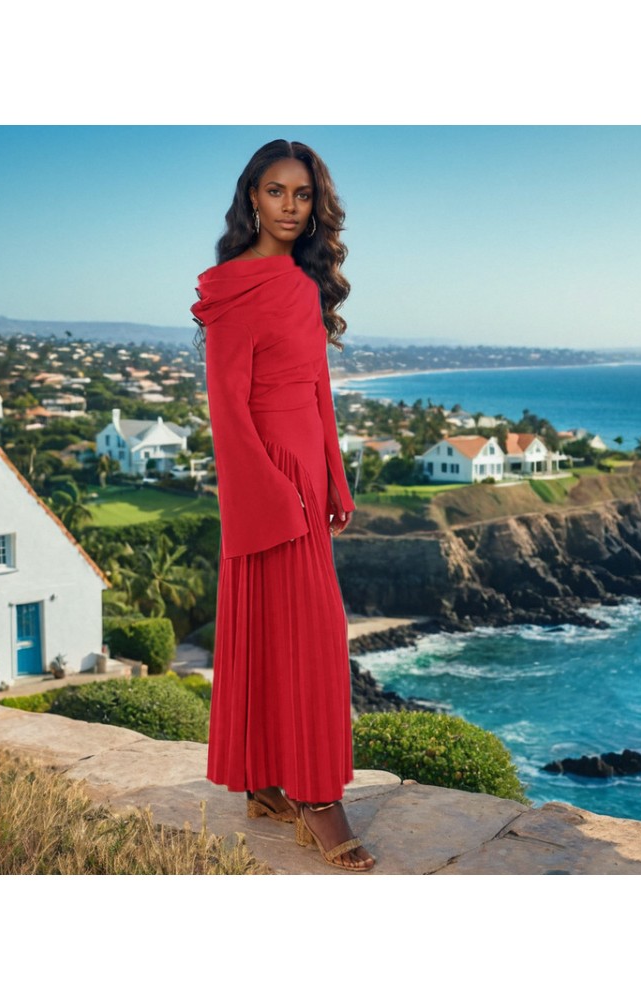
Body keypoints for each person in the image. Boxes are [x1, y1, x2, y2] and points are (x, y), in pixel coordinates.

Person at [190, 139, 375, 872]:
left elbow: (319, 392)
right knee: (317, 633)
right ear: (252, 198)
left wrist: (334, 474)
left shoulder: (304, 284)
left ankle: (268, 782)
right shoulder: (235, 286)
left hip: (306, 470)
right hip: (266, 471)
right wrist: (272, 488)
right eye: (276, 192)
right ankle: (320, 801)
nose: (290, 207)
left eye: (302, 195)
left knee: (281, 630)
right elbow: (226, 404)